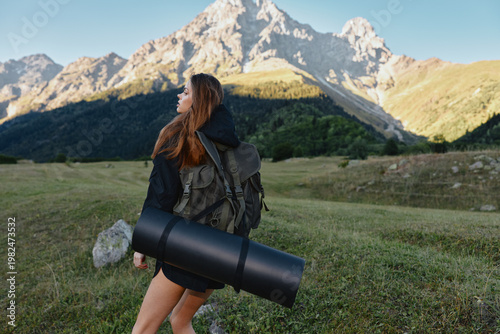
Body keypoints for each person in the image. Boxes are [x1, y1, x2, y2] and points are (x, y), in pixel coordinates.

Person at [132, 73, 240, 334]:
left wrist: (142, 242)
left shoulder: (176, 138)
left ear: (199, 100)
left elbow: (161, 197)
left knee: (143, 329)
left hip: (185, 247)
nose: (179, 95)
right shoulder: (226, 140)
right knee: (180, 321)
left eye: (186, 92)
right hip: (223, 249)